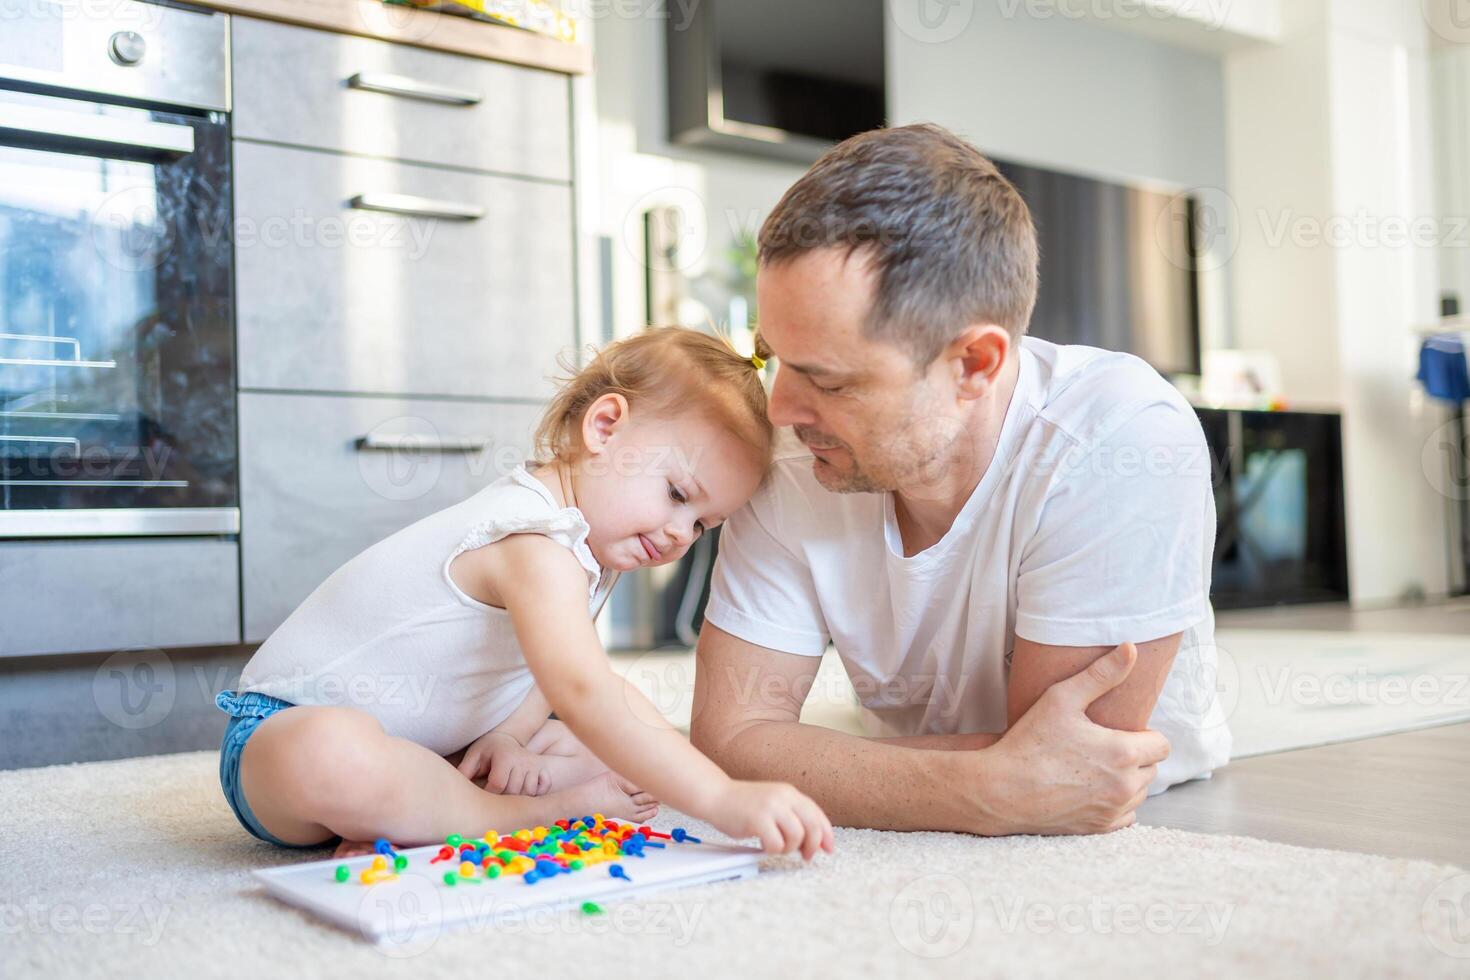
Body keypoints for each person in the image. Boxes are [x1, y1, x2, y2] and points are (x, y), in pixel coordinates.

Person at [690, 124, 1232, 836]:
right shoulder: (796, 447)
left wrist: (808, 761)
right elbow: (728, 742)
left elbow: (1076, 766)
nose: (781, 409)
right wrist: (978, 789)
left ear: (974, 363)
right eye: (772, 358)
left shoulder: (1121, 435)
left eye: (826, 379)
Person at [215, 327, 834, 860]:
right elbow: (582, 689)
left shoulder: (589, 549)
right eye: (677, 494)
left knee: (619, 748)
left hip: (434, 746)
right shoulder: (534, 538)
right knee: (332, 757)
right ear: (605, 426)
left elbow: (540, 676)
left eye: (702, 526)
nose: (679, 534)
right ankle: (513, 815)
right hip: (278, 733)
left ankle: (425, 809)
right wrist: (720, 797)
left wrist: (510, 736)